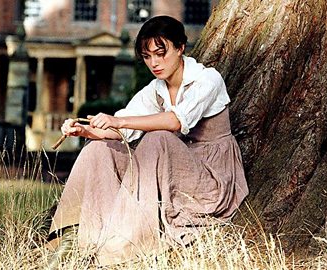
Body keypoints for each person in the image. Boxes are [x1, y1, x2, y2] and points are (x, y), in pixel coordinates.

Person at [46, 15, 249, 266]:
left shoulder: (207, 79)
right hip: (171, 169)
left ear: (180, 48)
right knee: (97, 149)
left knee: (158, 139)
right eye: (147, 56)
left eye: (160, 53)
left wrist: (118, 122)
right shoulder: (156, 89)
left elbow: (175, 121)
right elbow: (124, 127)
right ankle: (75, 236)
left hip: (210, 177)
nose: (154, 62)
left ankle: (120, 248)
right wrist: (86, 132)